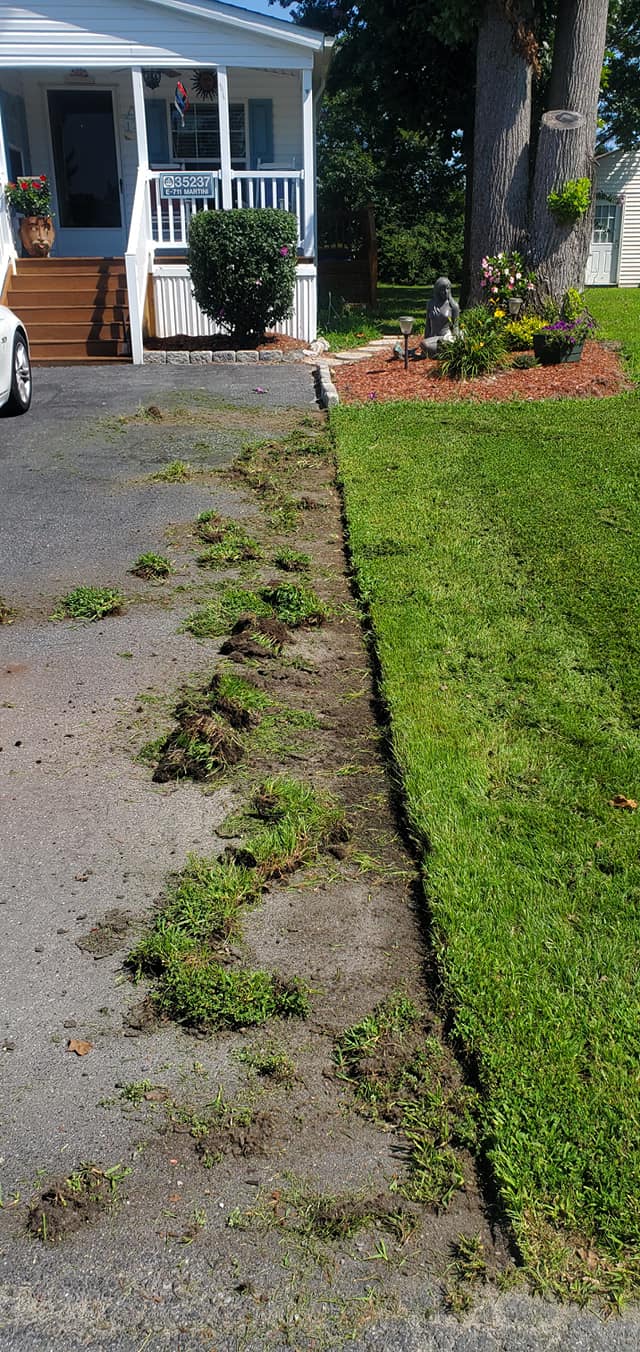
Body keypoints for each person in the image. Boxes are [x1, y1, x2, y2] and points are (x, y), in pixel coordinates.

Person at [422, 276, 460, 356]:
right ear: (437, 290)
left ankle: (444, 352)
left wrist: (456, 341)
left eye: (448, 288)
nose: (446, 292)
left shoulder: (453, 306)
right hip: (432, 339)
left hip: (445, 338)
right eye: (442, 289)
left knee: (426, 345)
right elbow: (427, 326)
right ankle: (440, 353)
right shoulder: (431, 304)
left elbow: (455, 326)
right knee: (424, 344)